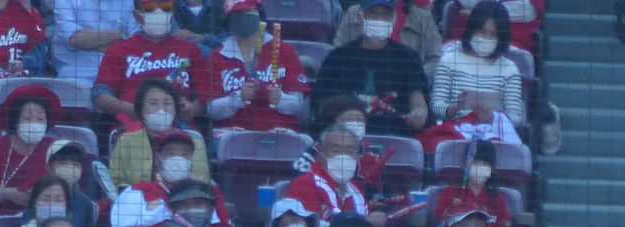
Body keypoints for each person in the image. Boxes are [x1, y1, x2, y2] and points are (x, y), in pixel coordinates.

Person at [315, 0, 432, 137]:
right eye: (373, 14)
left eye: (385, 15)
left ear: (394, 20)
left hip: (396, 133)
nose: (379, 19)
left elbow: (416, 94)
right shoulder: (339, 56)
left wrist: (419, 111)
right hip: (345, 133)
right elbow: (323, 103)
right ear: (359, 18)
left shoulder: (408, 57)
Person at [93, 0, 207, 120]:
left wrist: (193, 109)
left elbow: (205, 97)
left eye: (165, 7)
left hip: (180, 126)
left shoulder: (190, 49)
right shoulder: (118, 49)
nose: (159, 13)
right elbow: (100, 96)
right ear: (137, 16)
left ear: (173, 14)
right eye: (150, 8)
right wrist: (129, 109)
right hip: (131, 125)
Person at [206, 0, 309, 131]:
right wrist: (239, 97)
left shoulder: (284, 50)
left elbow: (298, 103)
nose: (243, 18)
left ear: (259, 14)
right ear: (229, 21)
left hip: (279, 133)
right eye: (238, 14)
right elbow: (211, 110)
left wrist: (281, 99)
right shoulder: (216, 57)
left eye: (248, 12)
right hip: (233, 134)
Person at [0, 93, 62, 218]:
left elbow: (72, 187)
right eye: (28, 119)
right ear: (15, 122)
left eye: (41, 119)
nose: (35, 124)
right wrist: (7, 194)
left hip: (44, 221)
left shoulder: (56, 148)